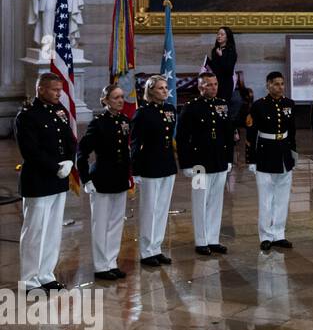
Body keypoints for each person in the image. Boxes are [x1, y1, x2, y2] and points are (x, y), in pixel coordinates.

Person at [15, 73, 75, 292]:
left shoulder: (59, 112)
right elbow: (30, 151)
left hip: (58, 181)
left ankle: (46, 275)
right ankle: (29, 281)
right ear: (41, 89)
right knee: (35, 231)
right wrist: (56, 167)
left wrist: (69, 161)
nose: (59, 93)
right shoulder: (27, 115)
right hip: (39, 181)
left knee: (52, 231)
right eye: (54, 90)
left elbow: (70, 139)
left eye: (60, 89)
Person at [77, 83, 132, 281]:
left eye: (122, 97)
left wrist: (129, 175)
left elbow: (125, 152)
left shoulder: (125, 120)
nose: (120, 101)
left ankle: (111, 261)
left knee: (116, 223)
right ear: (105, 101)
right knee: (100, 224)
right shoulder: (98, 123)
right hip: (101, 178)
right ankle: (101, 266)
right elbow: (82, 153)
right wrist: (85, 179)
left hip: (119, 178)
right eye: (116, 97)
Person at [177, 71, 235, 256]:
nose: (213, 88)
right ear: (200, 87)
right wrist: (186, 164)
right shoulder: (191, 107)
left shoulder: (222, 105)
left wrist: (228, 159)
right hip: (199, 163)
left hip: (218, 160)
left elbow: (228, 134)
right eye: (209, 84)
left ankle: (213, 239)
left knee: (216, 201)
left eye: (215, 84)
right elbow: (182, 138)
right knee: (200, 201)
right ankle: (201, 241)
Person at [246, 71, 297, 252]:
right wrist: (251, 159)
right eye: (276, 84)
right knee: (266, 199)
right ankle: (266, 235)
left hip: (283, 154)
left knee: (282, 198)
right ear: (268, 85)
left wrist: (293, 154)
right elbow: (251, 134)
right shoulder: (259, 106)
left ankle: (279, 234)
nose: (280, 87)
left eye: (282, 84)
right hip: (265, 155)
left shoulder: (289, 104)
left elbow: (292, 132)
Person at [131, 74, 178, 268]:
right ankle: (146, 251)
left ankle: (156, 247)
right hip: (150, 163)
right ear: (150, 91)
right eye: (160, 88)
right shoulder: (142, 113)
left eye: (166, 87)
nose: (165, 91)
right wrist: (135, 169)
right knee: (149, 209)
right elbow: (135, 142)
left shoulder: (170, 109)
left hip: (166, 162)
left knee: (161, 209)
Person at [204, 26, 238, 106]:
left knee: (222, 107)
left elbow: (228, 70)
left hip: (225, 83)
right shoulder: (215, 50)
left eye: (222, 34)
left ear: (227, 37)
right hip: (215, 82)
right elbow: (216, 68)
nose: (219, 36)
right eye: (218, 34)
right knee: (214, 105)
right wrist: (208, 62)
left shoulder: (231, 51)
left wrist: (221, 56)